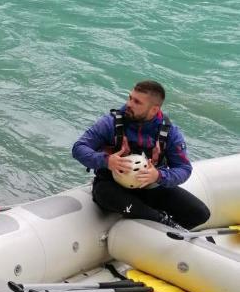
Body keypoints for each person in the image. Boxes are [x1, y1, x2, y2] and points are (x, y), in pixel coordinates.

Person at [72, 80, 210, 230]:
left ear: (153, 109)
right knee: (105, 194)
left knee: (200, 213)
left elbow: (184, 168)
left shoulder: (170, 132)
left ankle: (157, 227)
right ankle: (162, 222)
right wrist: (106, 160)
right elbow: (79, 148)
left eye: (137, 102)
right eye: (130, 97)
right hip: (112, 186)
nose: (129, 104)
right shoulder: (110, 123)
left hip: (150, 187)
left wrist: (158, 176)